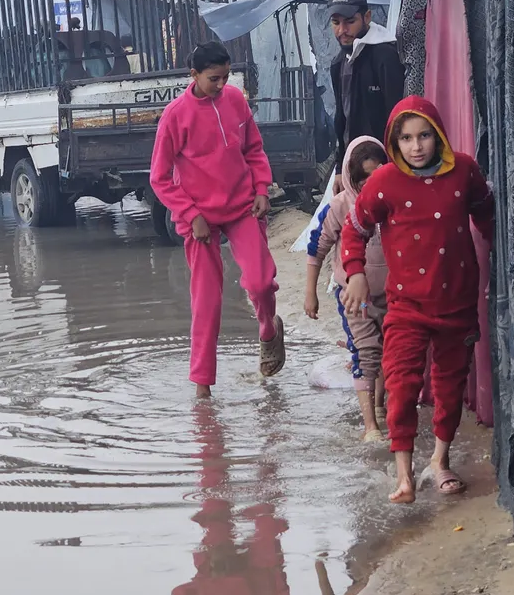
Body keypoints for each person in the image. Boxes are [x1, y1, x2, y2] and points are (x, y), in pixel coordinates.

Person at [340, 95, 494, 504]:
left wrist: (508, 252)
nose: (416, 146)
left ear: (438, 134)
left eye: (424, 135)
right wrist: (355, 273)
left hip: (457, 303)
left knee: (449, 386)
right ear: (395, 141)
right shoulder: (384, 183)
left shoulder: (464, 171)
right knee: (402, 384)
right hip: (406, 308)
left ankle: (439, 463)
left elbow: (487, 212)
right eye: (406, 138)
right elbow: (355, 229)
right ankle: (404, 476)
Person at [149, 41, 287, 398]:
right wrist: (190, 214)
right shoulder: (175, 115)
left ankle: (269, 330)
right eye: (214, 79)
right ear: (193, 75)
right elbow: (160, 178)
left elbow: (254, 149)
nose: (221, 84)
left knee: (259, 282)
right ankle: (202, 388)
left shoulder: (236, 101)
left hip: (242, 207)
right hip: (199, 220)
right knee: (206, 300)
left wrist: (261, 189)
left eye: (226, 77)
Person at [305, 135, 389, 442]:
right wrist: (310, 292)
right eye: (362, 178)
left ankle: (379, 407)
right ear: (351, 178)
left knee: (388, 353)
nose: (369, 183)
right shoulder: (341, 206)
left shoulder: (395, 201)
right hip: (355, 299)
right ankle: (370, 426)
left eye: (376, 175)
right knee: (366, 352)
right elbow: (317, 247)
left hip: (395, 294)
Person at [327, 0, 404, 183]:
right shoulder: (338, 62)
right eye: (336, 22)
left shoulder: (385, 55)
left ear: (367, 17)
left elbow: (397, 117)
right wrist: (338, 168)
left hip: (384, 166)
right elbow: (341, 119)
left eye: (350, 21)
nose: (342, 30)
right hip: (354, 168)